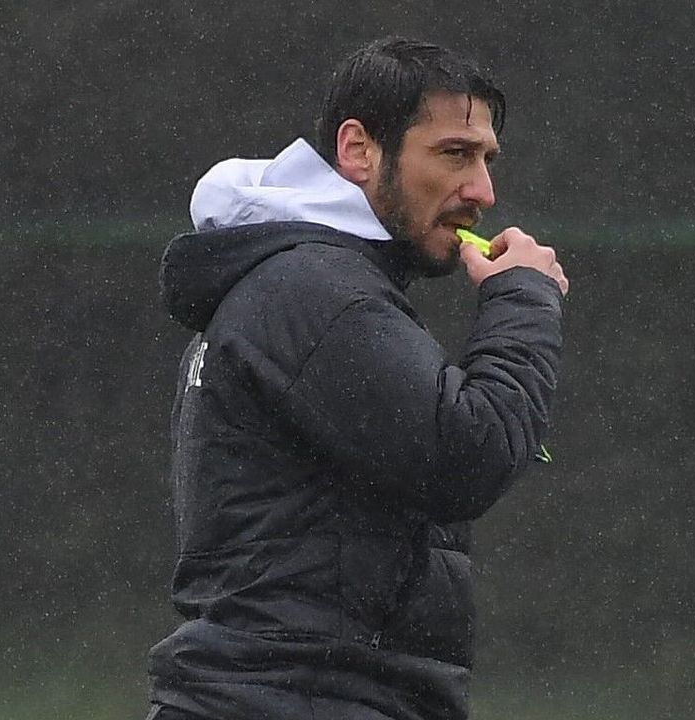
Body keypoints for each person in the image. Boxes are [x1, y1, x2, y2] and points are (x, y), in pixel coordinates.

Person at [145, 37, 568, 720]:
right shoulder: (315, 290)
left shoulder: (297, 280)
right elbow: (469, 454)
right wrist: (524, 299)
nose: (482, 192)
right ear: (358, 149)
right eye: (454, 153)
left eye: (487, 160)